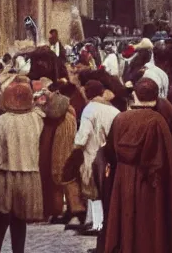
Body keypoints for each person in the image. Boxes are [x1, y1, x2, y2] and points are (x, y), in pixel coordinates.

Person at [104, 78, 172, 253]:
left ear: (135, 95)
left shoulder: (120, 119)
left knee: (127, 222)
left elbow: (110, 152)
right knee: (150, 226)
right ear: (156, 97)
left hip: (124, 180)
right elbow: (166, 160)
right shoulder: (158, 122)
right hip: (151, 185)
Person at [0, 81, 44, 253]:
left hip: (6, 175)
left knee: (1, 219)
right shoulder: (37, 119)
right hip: (30, 175)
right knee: (20, 220)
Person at [73, 79, 118, 234]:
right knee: (104, 189)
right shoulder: (112, 109)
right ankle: (95, 221)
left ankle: (98, 224)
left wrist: (75, 146)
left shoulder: (90, 109)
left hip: (92, 153)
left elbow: (83, 135)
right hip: (110, 153)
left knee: (93, 190)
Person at [39, 91, 86, 224]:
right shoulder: (67, 116)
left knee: (66, 180)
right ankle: (70, 210)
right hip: (65, 153)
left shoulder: (62, 119)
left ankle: (75, 210)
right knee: (65, 180)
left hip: (63, 155)